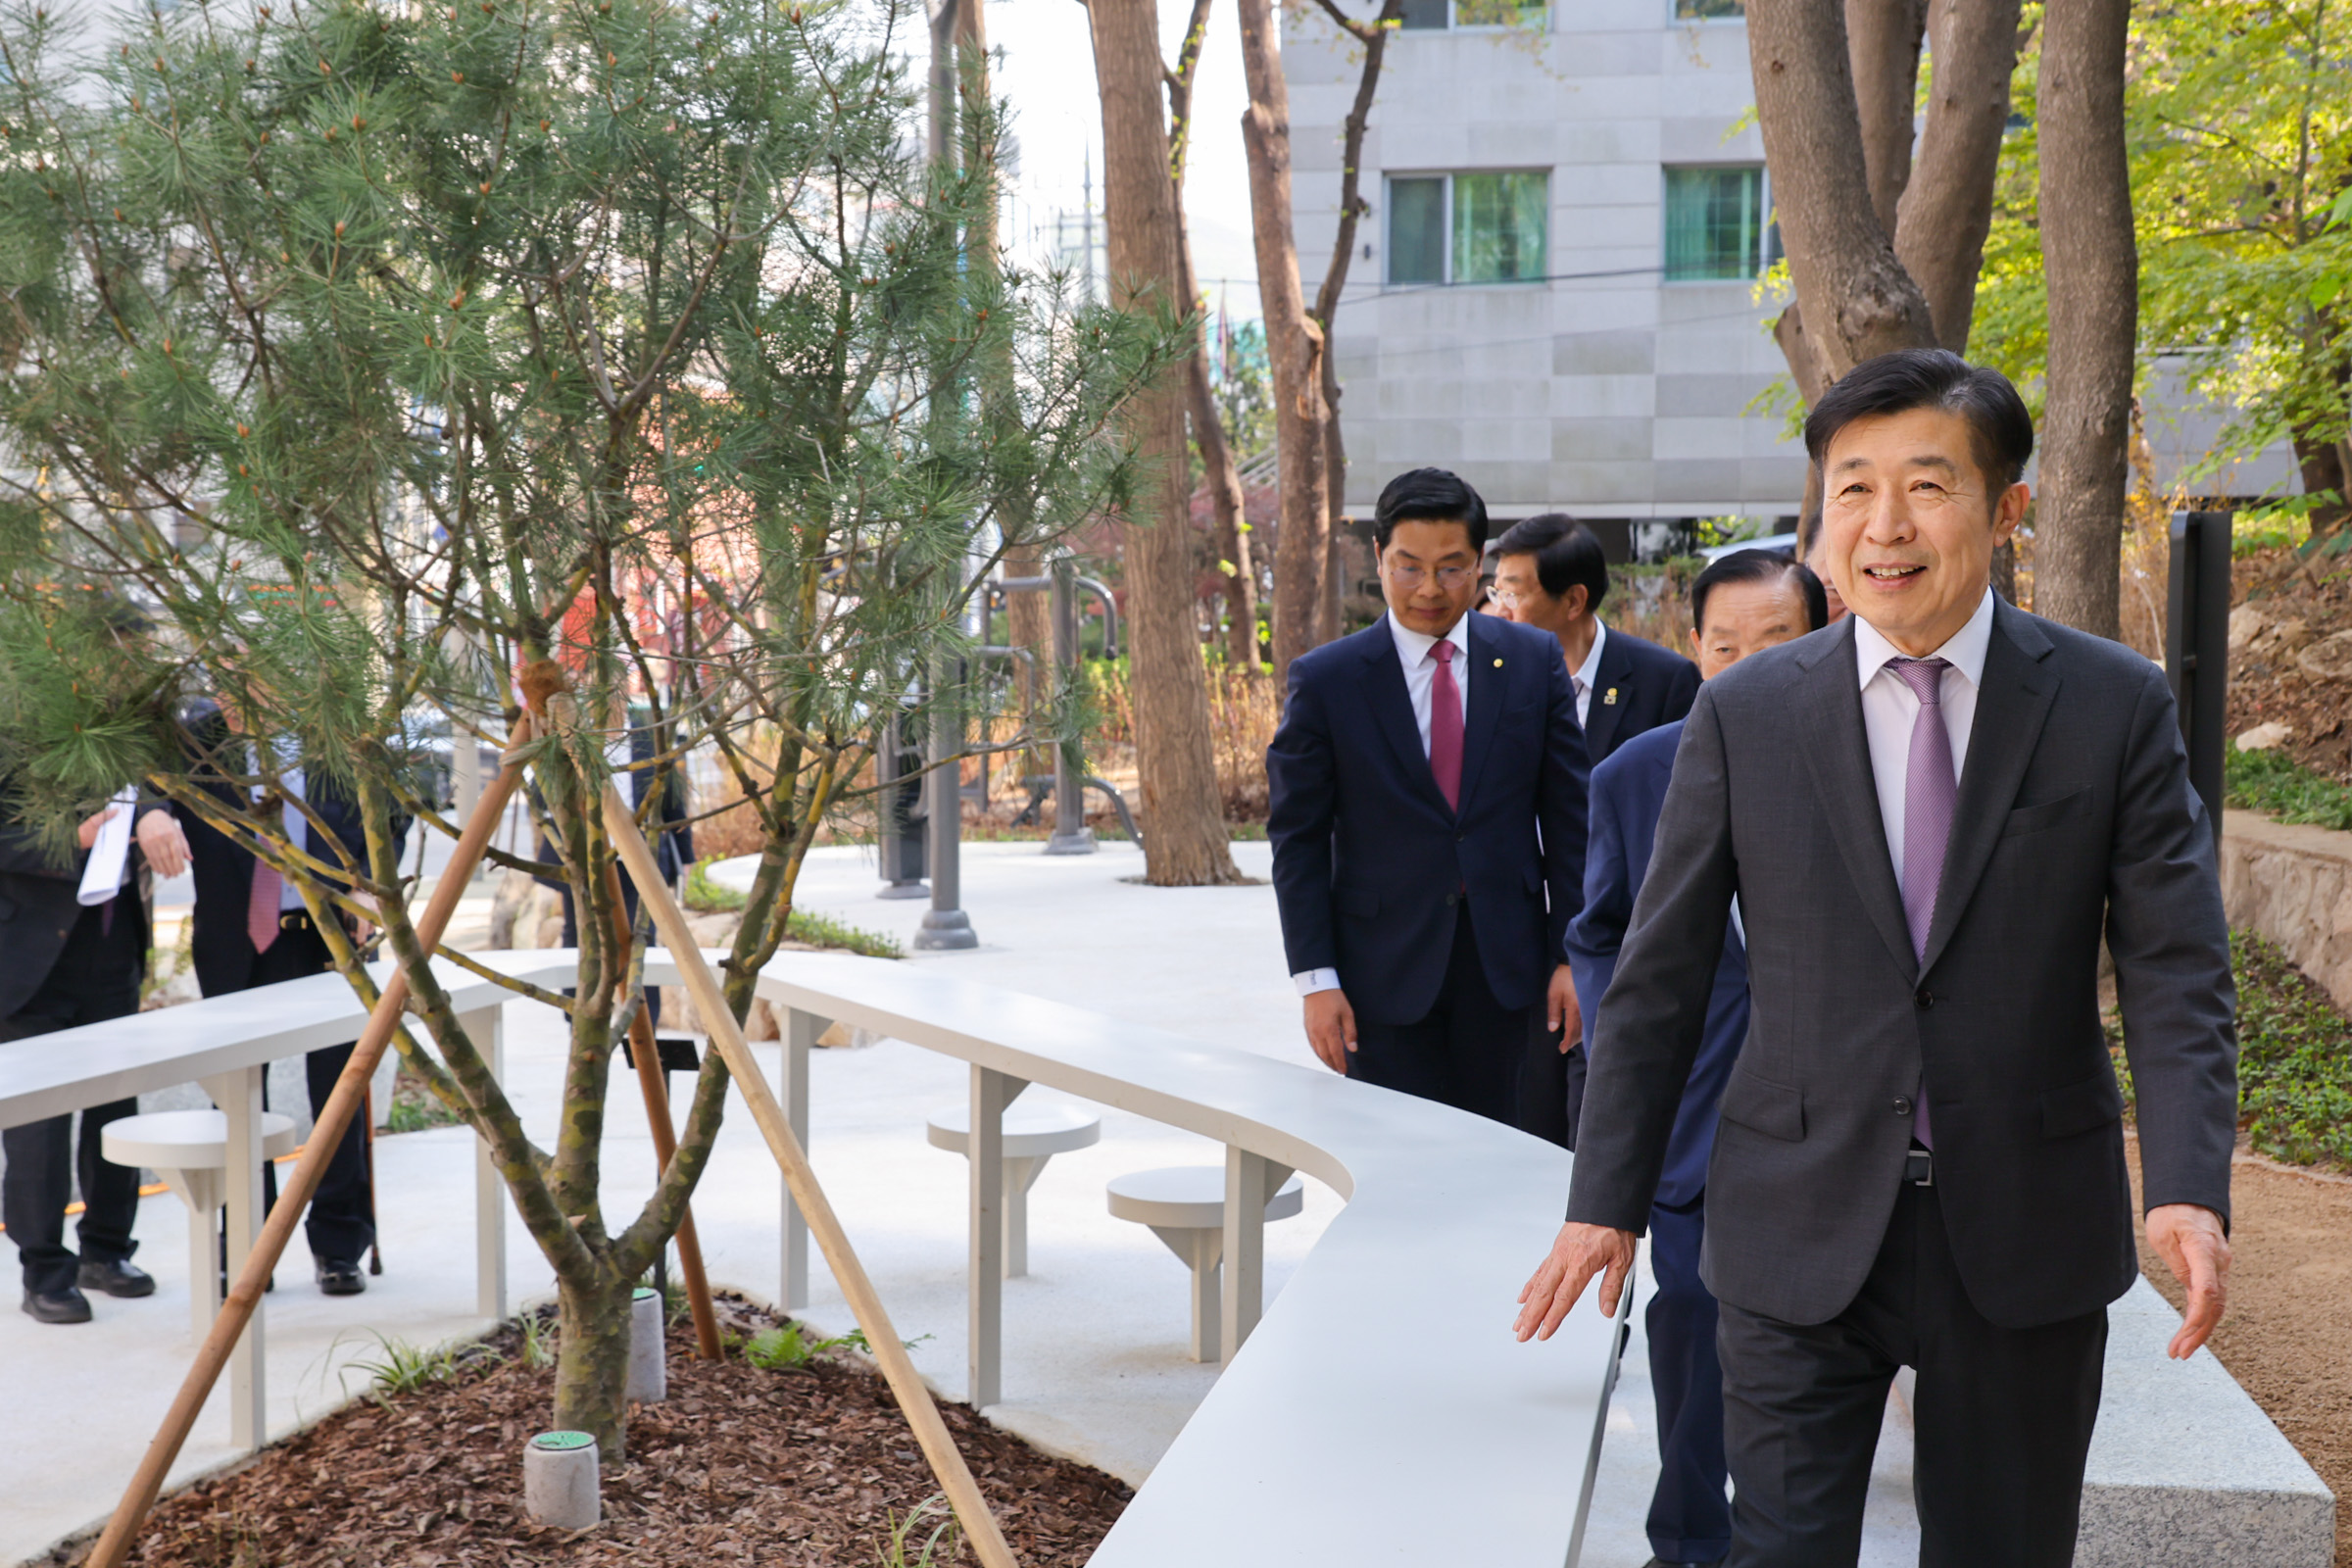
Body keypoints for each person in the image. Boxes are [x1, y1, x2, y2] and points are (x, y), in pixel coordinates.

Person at [1516, 348, 2238, 1567]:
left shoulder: (2112, 706)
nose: (1885, 526)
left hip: (2024, 1223)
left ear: (2006, 509)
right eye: (1852, 489)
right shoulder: (1747, 713)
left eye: (1928, 485)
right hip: (1793, 1221)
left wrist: (2185, 1180)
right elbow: (1660, 976)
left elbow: (2176, 968)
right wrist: (1606, 1199)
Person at [1565, 550, 1830, 1568]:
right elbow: (1600, 932)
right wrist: (1622, 1030)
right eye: (1727, 647)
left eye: (1777, 643)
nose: (1750, 666)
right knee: (1690, 1328)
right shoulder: (1635, 774)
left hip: (1831, 1115)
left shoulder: (1871, 765)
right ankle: (1685, 1541)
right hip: (1691, 1115)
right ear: (1696, 652)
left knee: (1809, 1355)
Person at [1267, 467, 1591, 1124]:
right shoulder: (1328, 680)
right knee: (1396, 1169)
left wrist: (1572, 957)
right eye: (1409, 566)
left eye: (1451, 568)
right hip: (1377, 974)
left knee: (1506, 1158)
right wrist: (1316, 979)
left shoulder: (1532, 661)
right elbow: (1296, 839)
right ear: (1380, 557)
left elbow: (1571, 822)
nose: (1429, 589)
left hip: (1509, 969)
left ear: (1479, 565)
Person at [176, 706, 402, 1297]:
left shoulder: (335, 725)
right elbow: (145, 789)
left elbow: (392, 809)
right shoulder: (194, 736)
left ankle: (339, 1244)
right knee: (238, 1098)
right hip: (235, 938)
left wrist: (368, 884)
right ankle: (251, 1246)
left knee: (340, 1091)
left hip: (328, 933)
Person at [1492, 513, 1700, 1148]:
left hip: (1622, 944)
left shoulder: (1664, 682)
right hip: (1519, 948)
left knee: (1600, 1127)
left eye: (1514, 591)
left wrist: (1581, 958)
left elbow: (1671, 835)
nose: (1496, 608)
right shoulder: (1491, 676)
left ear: (1574, 599)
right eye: (1494, 588)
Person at [2, 792, 190, 1323]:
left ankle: (106, 1252)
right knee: (38, 1127)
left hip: (113, 950)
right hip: (28, 964)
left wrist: (155, 809)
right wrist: (69, 841)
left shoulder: (120, 714)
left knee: (115, 1110)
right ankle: (44, 1272)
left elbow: (148, 776)